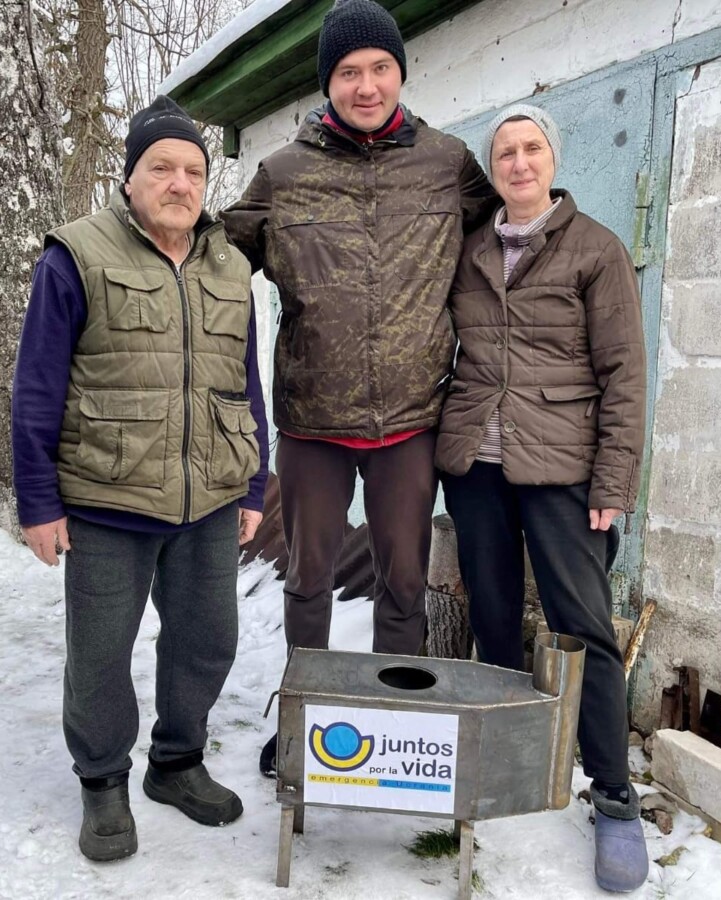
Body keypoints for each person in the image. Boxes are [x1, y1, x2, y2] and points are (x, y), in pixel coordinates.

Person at [221, 0, 496, 778]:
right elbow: (214, 267)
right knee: (307, 580)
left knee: (402, 583)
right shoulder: (283, 173)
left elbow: (500, 242)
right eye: (348, 72)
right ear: (328, 84)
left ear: (400, 74)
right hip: (312, 419)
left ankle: (392, 720)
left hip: (410, 418)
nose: (365, 85)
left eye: (379, 68)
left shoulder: (448, 165)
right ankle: (305, 719)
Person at [11, 96, 269, 862]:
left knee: (208, 641)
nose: (180, 183)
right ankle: (102, 781)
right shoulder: (77, 256)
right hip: (106, 497)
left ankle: (177, 763)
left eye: (193, 171)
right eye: (162, 167)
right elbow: (36, 385)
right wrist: (37, 502)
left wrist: (253, 484)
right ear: (130, 179)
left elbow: (243, 384)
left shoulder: (230, 266)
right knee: (99, 655)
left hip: (211, 498)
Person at [434, 104, 649, 892]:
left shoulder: (597, 251)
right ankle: (504, 760)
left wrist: (613, 481)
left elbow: (626, 375)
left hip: (564, 470)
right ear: (492, 169)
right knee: (491, 614)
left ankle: (616, 799)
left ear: (553, 159)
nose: (519, 163)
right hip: (478, 468)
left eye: (531, 149)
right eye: (505, 152)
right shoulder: (471, 249)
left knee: (581, 630)